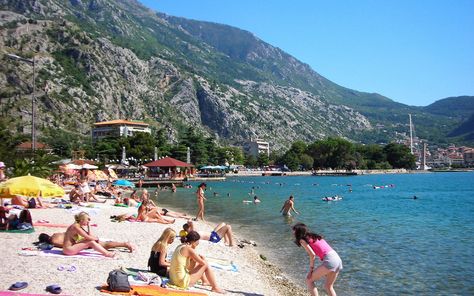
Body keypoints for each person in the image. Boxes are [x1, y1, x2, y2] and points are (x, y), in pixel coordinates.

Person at [292, 223, 342, 296]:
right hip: (337, 259)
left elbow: (312, 255)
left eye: (294, 231)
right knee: (328, 286)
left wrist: (311, 270)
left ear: (298, 232)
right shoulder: (315, 236)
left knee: (309, 280)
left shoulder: (302, 240)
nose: (293, 233)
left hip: (330, 260)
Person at [38, 232, 135, 252]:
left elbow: (66, 245)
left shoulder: (54, 241)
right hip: (79, 235)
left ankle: (125, 244)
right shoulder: (55, 234)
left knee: (104, 245)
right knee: (102, 243)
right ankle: (123, 244)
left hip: (79, 240)